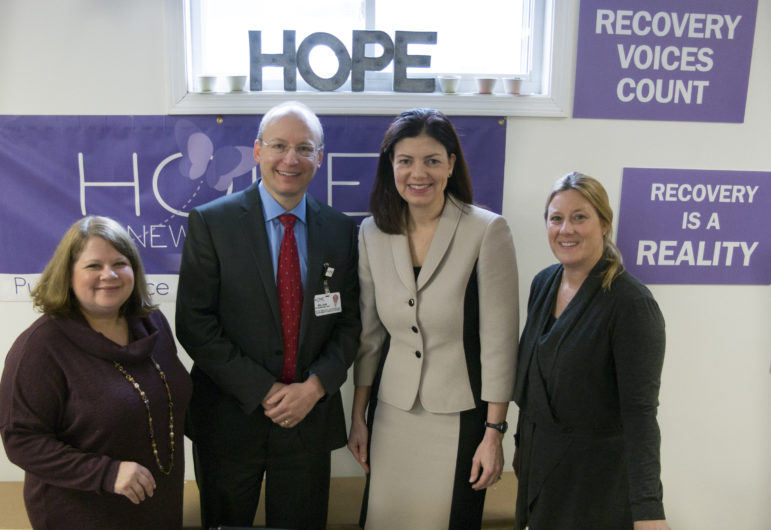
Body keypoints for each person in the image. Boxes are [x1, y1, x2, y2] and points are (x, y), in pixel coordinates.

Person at [176, 101, 361, 530]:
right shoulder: (212, 223)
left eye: (304, 148)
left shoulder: (340, 230)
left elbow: (350, 324)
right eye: (279, 145)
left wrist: (313, 389)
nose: (290, 159)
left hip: (308, 422)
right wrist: (265, 390)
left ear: (320, 156)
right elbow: (195, 324)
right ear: (257, 151)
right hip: (228, 421)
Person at [347, 108, 519, 529]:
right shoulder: (372, 232)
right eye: (405, 160)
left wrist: (494, 432)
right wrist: (358, 417)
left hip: (459, 415)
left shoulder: (486, 230)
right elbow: (370, 338)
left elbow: (499, 342)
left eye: (432, 160)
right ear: (391, 166)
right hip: (392, 414)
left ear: (451, 165)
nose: (417, 172)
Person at [0, 216, 191, 530]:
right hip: (82, 513)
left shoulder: (152, 323)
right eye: (93, 266)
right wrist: (106, 473)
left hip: (157, 504)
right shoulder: (40, 346)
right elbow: (21, 440)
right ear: (68, 274)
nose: (110, 275)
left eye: (120, 262)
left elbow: (172, 397)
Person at [513, 172, 671, 530]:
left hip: (595, 482)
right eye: (556, 218)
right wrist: (521, 447)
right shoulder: (543, 283)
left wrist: (648, 509)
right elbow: (534, 384)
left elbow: (641, 413)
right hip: (539, 470)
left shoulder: (631, 303)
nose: (565, 229)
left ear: (604, 223)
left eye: (579, 217)